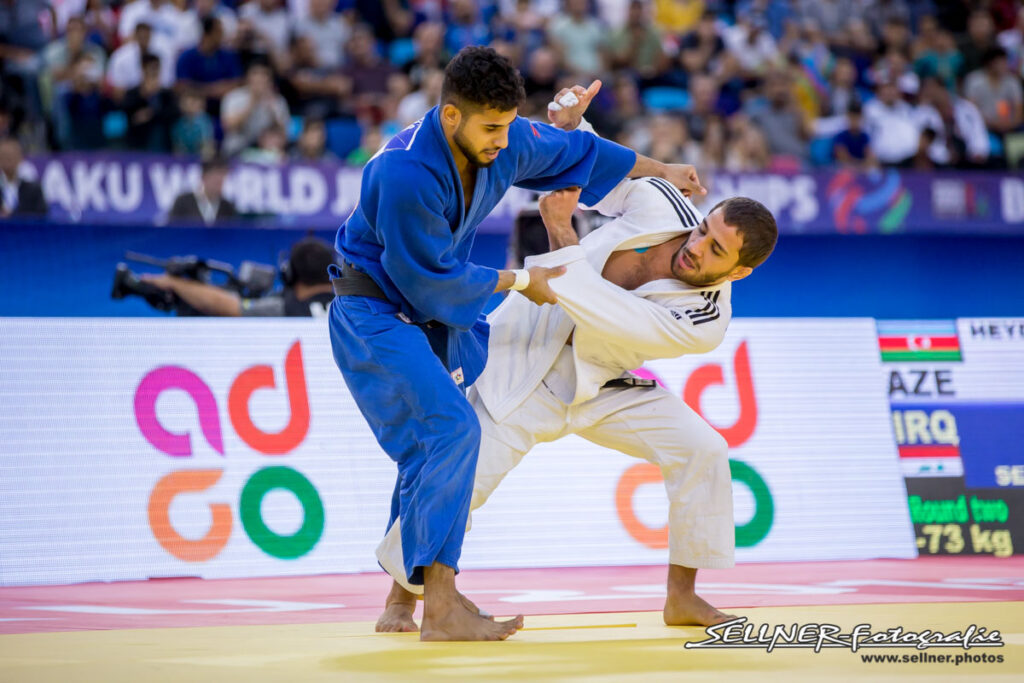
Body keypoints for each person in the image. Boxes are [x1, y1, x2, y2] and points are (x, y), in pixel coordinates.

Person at [328, 46, 705, 642]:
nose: (503, 142)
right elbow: (426, 280)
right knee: (454, 431)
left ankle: (402, 605)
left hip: (429, 312)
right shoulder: (401, 171)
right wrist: (524, 281)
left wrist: (664, 170)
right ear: (451, 117)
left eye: (507, 125)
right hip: (375, 310)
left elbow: (583, 150)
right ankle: (442, 607)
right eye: (491, 128)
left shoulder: (503, 138)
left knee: (427, 452)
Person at [373, 97, 778, 635]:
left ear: (739, 272)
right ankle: (401, 599)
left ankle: (683, 596)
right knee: (460, 476)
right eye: (705, 229)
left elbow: (608, 317)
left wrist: (561, 233)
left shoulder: (706, 320)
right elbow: (607, 176)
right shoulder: (665, 207)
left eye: (716, 250)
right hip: (523, 355)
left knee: (703, 448)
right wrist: (573, 127)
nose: (697, 245)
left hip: (603, 381)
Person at [142, 237, 336, 317]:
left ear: (290, 275)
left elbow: (222, 304)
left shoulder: (283, 309)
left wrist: (175, 283)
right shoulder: (354, 308)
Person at [167, 157, 238, 224]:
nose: (219, 183)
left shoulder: (227, 207)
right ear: (203, 177)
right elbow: (172, 230)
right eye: (215, 180)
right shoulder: (183, 202)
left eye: (221, 181)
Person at [0, 137, 47, 218]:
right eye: (3, 156)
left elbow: (42, 217)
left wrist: (12, 215)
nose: (7, 160)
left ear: (20, 158)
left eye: (11, 156)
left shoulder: (33, 190)